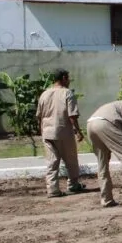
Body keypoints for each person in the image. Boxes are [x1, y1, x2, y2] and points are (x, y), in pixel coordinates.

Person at [35, 68, 86, 197]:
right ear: (64, 78)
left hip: (47, 132)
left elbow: (39, 116)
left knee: (52, 161)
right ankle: (73, 184)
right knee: (71, 161)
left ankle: (52, 189)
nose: (69, 81)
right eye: (68, 78)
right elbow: (72, 116)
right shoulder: (67, 93)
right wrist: (78, 132)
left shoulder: (44, 94)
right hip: (63, 132)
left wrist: (42, 131)